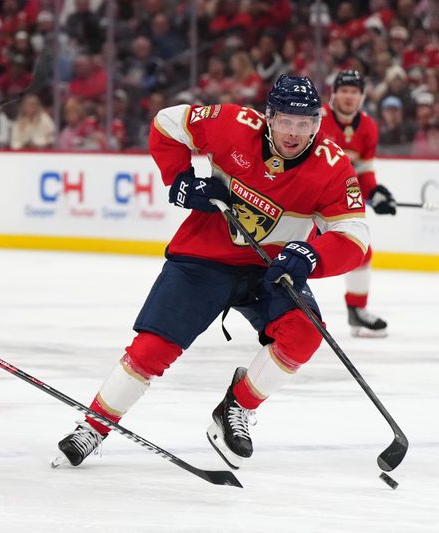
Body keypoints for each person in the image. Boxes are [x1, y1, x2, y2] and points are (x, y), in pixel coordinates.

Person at [53, 75, 369, 471]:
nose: (293, 132)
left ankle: (236, 406)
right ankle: (94, 427)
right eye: (285, 120)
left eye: (303, 123)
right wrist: (181, 180)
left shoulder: (332, 166)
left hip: (271, 271)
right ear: (268, 117)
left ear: (317, 123)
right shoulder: (233, 124)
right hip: (203, 260)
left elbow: (354, 236)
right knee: (152, 349)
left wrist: (311, 255)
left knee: (305, 333)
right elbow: (167, 123)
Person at [320, 70, 396, 337]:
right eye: (344, 90)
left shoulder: (368, 127)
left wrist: (376, 193)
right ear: (334, 94)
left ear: (362, 96)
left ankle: (356, 311)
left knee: (361, 250)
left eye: (354, 91)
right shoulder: (317, 119)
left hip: (337, 204)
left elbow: (364, 172)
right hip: (303, 199)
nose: (349, 96)